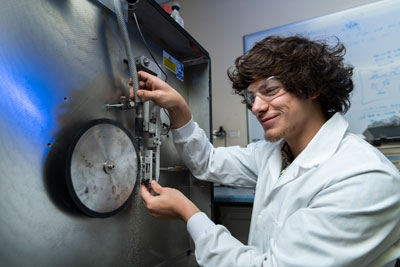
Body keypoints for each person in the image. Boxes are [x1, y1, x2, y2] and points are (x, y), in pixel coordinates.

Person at [135, 36, 400, 266]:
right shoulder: (276, 153)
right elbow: (208, 162)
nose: (256, 107)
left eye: (270, 90)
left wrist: (188, 213)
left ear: (313, 87)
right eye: (252, 97)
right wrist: (179, 109)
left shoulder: (363, 178)